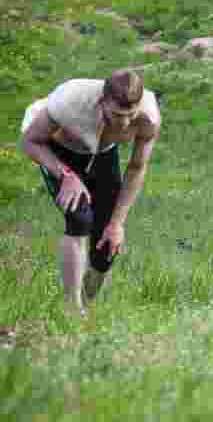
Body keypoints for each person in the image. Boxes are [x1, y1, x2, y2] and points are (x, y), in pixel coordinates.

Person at [19, 70, 161, 315]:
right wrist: (66, 175)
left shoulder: (149, 119)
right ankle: (72, 310)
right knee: (80, 218)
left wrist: (117, 223)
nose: (125, 123)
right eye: (118, 115)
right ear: (102, 102)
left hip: (102, 151)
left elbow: (137, 167)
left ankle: (86, 306)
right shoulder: (69, 99)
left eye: (131, 115)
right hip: (56, 147)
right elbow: (30, 141)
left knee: (107, 244)